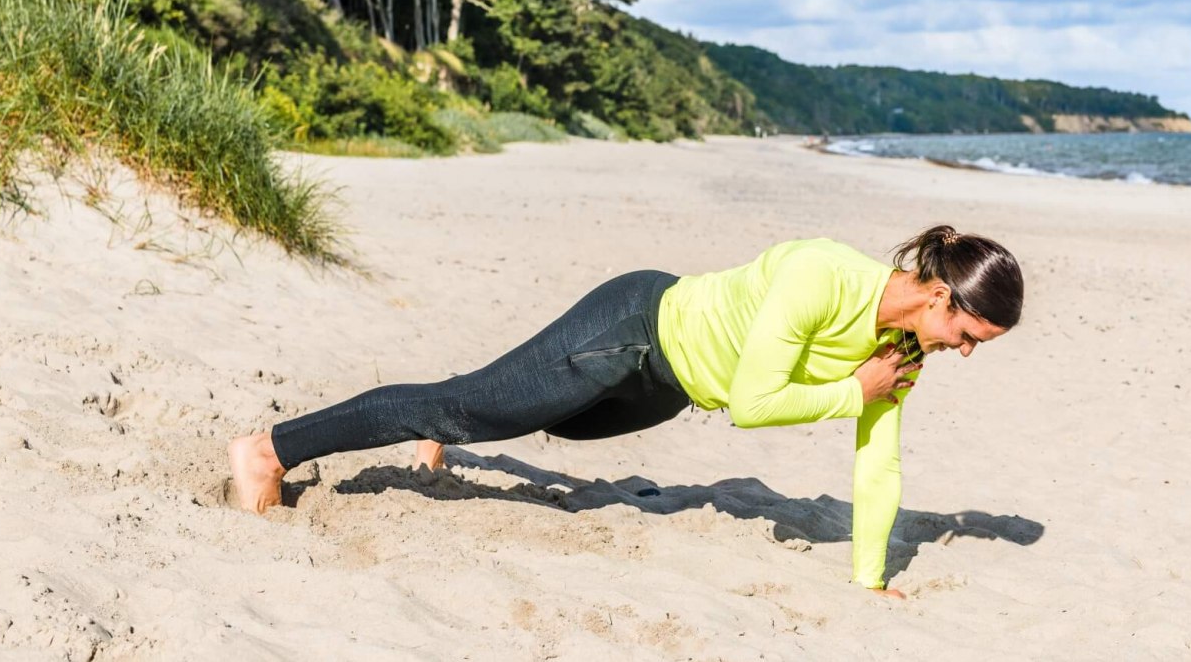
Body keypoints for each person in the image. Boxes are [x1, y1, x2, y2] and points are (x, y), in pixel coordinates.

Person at [228, 225, 1024, 598]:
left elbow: (877, 456)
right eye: (966, 331)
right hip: (633, 330)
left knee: (537, 418)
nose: (964, 350)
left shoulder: (904, 354)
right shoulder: (825, 276)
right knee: (472, 405)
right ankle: (271, 448)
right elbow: (752, 404)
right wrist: (854, 391)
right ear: (937, 291)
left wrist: (869, 579)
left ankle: (449, 418)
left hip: (666, 389)